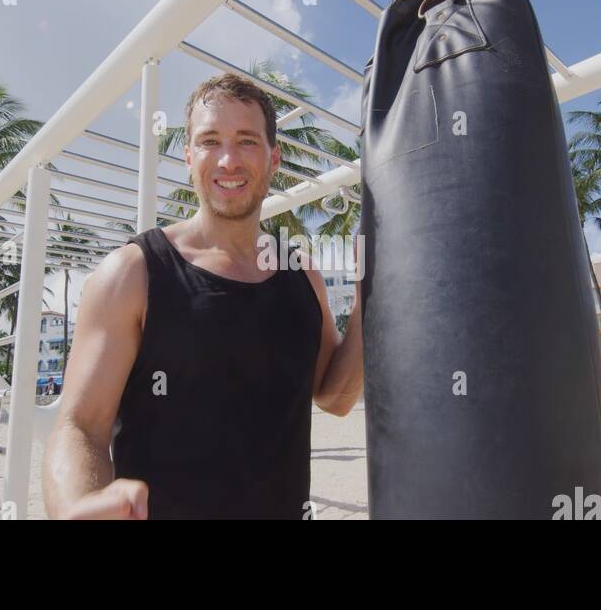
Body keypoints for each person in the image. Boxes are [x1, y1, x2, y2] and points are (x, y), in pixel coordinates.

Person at [42, 73, 364, 519]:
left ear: (274, 158)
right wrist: (77, 508)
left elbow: (335, 397)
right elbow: (80, 427)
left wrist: (372, 302)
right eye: (211, 141)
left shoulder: (301, 274)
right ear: (189, 156)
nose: (228, 160)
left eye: (247, 141)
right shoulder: (133, 273)